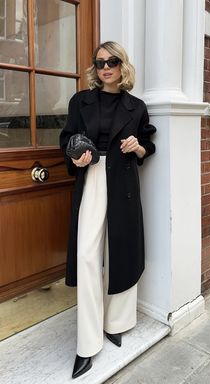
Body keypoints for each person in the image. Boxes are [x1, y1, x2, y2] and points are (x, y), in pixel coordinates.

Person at [59, 41, 156, 379]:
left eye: (112, 61)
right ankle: (86, 344)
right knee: (87, 256)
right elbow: (67, 138)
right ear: (95, 68)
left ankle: (116, 323)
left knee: (121, 253)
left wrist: (138, 147)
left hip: (124, 183)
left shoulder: (137, 107)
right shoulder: (80, 101)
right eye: (99, 62)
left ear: (122, 65)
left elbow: (148, 145)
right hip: (91, 178)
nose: (105, 67)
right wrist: (75, 155)